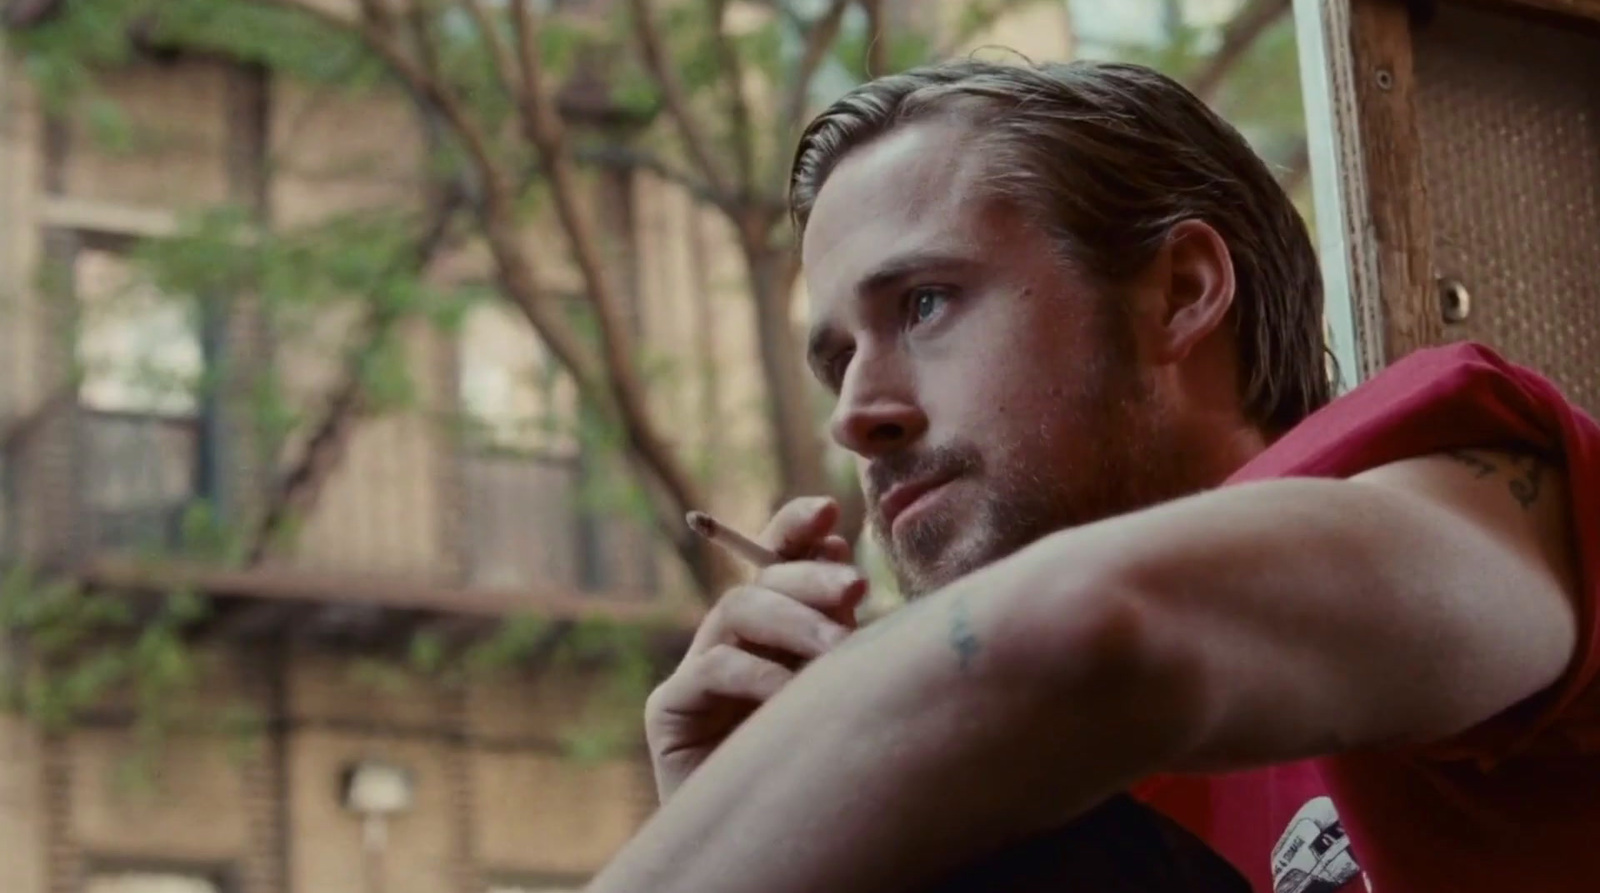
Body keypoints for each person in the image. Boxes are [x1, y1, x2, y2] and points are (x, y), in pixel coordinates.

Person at [585, 59, 1600, 893]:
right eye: (834, 360)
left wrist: (808, 783)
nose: (856, 413)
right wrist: (748, 824)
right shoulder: (1057, 814)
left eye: (927, 303)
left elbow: (1081, 630)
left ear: (1182, 294)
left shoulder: (1465, 487)